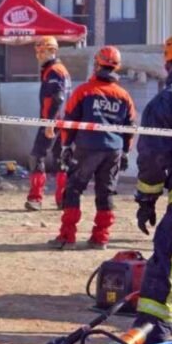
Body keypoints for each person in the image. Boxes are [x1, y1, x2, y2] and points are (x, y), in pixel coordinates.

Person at [50, 46, 136, 250]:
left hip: (87, 148)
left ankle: (67, 237)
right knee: (106, 193)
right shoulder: (124, 95)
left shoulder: (84, 91)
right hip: (113, 150)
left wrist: (65, 146)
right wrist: (125, 152)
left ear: (97, 64)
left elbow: (69, 121)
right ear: (117, 67)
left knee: (73, 189)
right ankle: (100, 238)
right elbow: (130, 126)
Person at [130, 34, 172, 344]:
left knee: (167, 262)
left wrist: (146, 198)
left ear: (167, 64)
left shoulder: (166, 101)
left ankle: (152, 333)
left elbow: (152, 158)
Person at [26, 36, 71, 211]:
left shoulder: (54, 71)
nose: (39, 55)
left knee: (37, 156)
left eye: (42, 51)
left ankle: (35, 198)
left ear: (52, 51)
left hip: (53, 121)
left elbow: (57, 98)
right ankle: (63, 199)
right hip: (63, 122)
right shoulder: (60, 70)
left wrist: (49, 123)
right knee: (61, 159)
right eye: (37, 51)